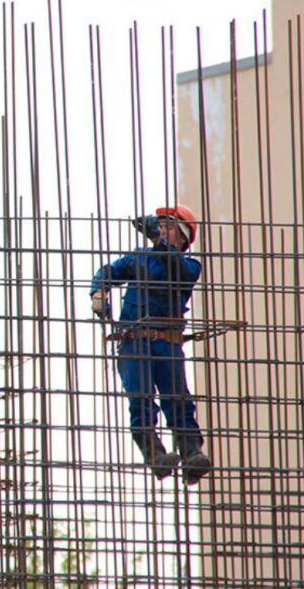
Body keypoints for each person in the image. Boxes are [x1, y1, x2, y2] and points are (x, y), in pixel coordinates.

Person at [90, 204, 212, 485]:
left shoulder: (189, 266)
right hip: (135, 344)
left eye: (168, 227)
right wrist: (99, 290)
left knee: (178, 400)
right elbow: (109, 270)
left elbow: (175, 265)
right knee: (141, 401)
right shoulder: (139, 259)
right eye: (159, 225)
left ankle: (192, 453)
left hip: (167, 344)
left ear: (183, 237)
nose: (161, 230)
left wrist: (157, 240)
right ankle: (155, 456)